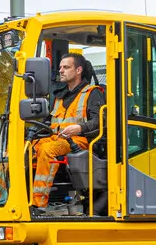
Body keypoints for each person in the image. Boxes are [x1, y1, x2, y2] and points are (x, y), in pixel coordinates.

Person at [30, 52, 105, 209]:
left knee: (47, 150)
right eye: (60, 67)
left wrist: (79, 128)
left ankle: (38, 205)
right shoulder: (59, 96)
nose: (61, 71)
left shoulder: (92, 93)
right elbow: (48, 122)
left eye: (66, 67)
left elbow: (100, 121)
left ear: (78, 70)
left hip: (79, 141)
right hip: (56, 139)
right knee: (21, 148)